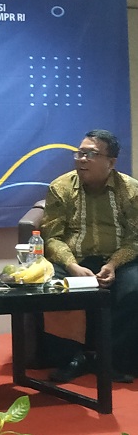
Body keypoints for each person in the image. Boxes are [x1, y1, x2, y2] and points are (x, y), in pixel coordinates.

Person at [42, 129, 138, 384]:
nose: (82, 159)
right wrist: (71, 265)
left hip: (118, 260)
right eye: (80, 153)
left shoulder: (131, 190)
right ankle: (71, 359)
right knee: (53, 285)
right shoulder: (61, 187)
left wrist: (114, 264)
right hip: (75, 259)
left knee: (135, 288)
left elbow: (135, 238)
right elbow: (52, 237)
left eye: (91, 154)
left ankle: (112, 360)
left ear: (111, 162)